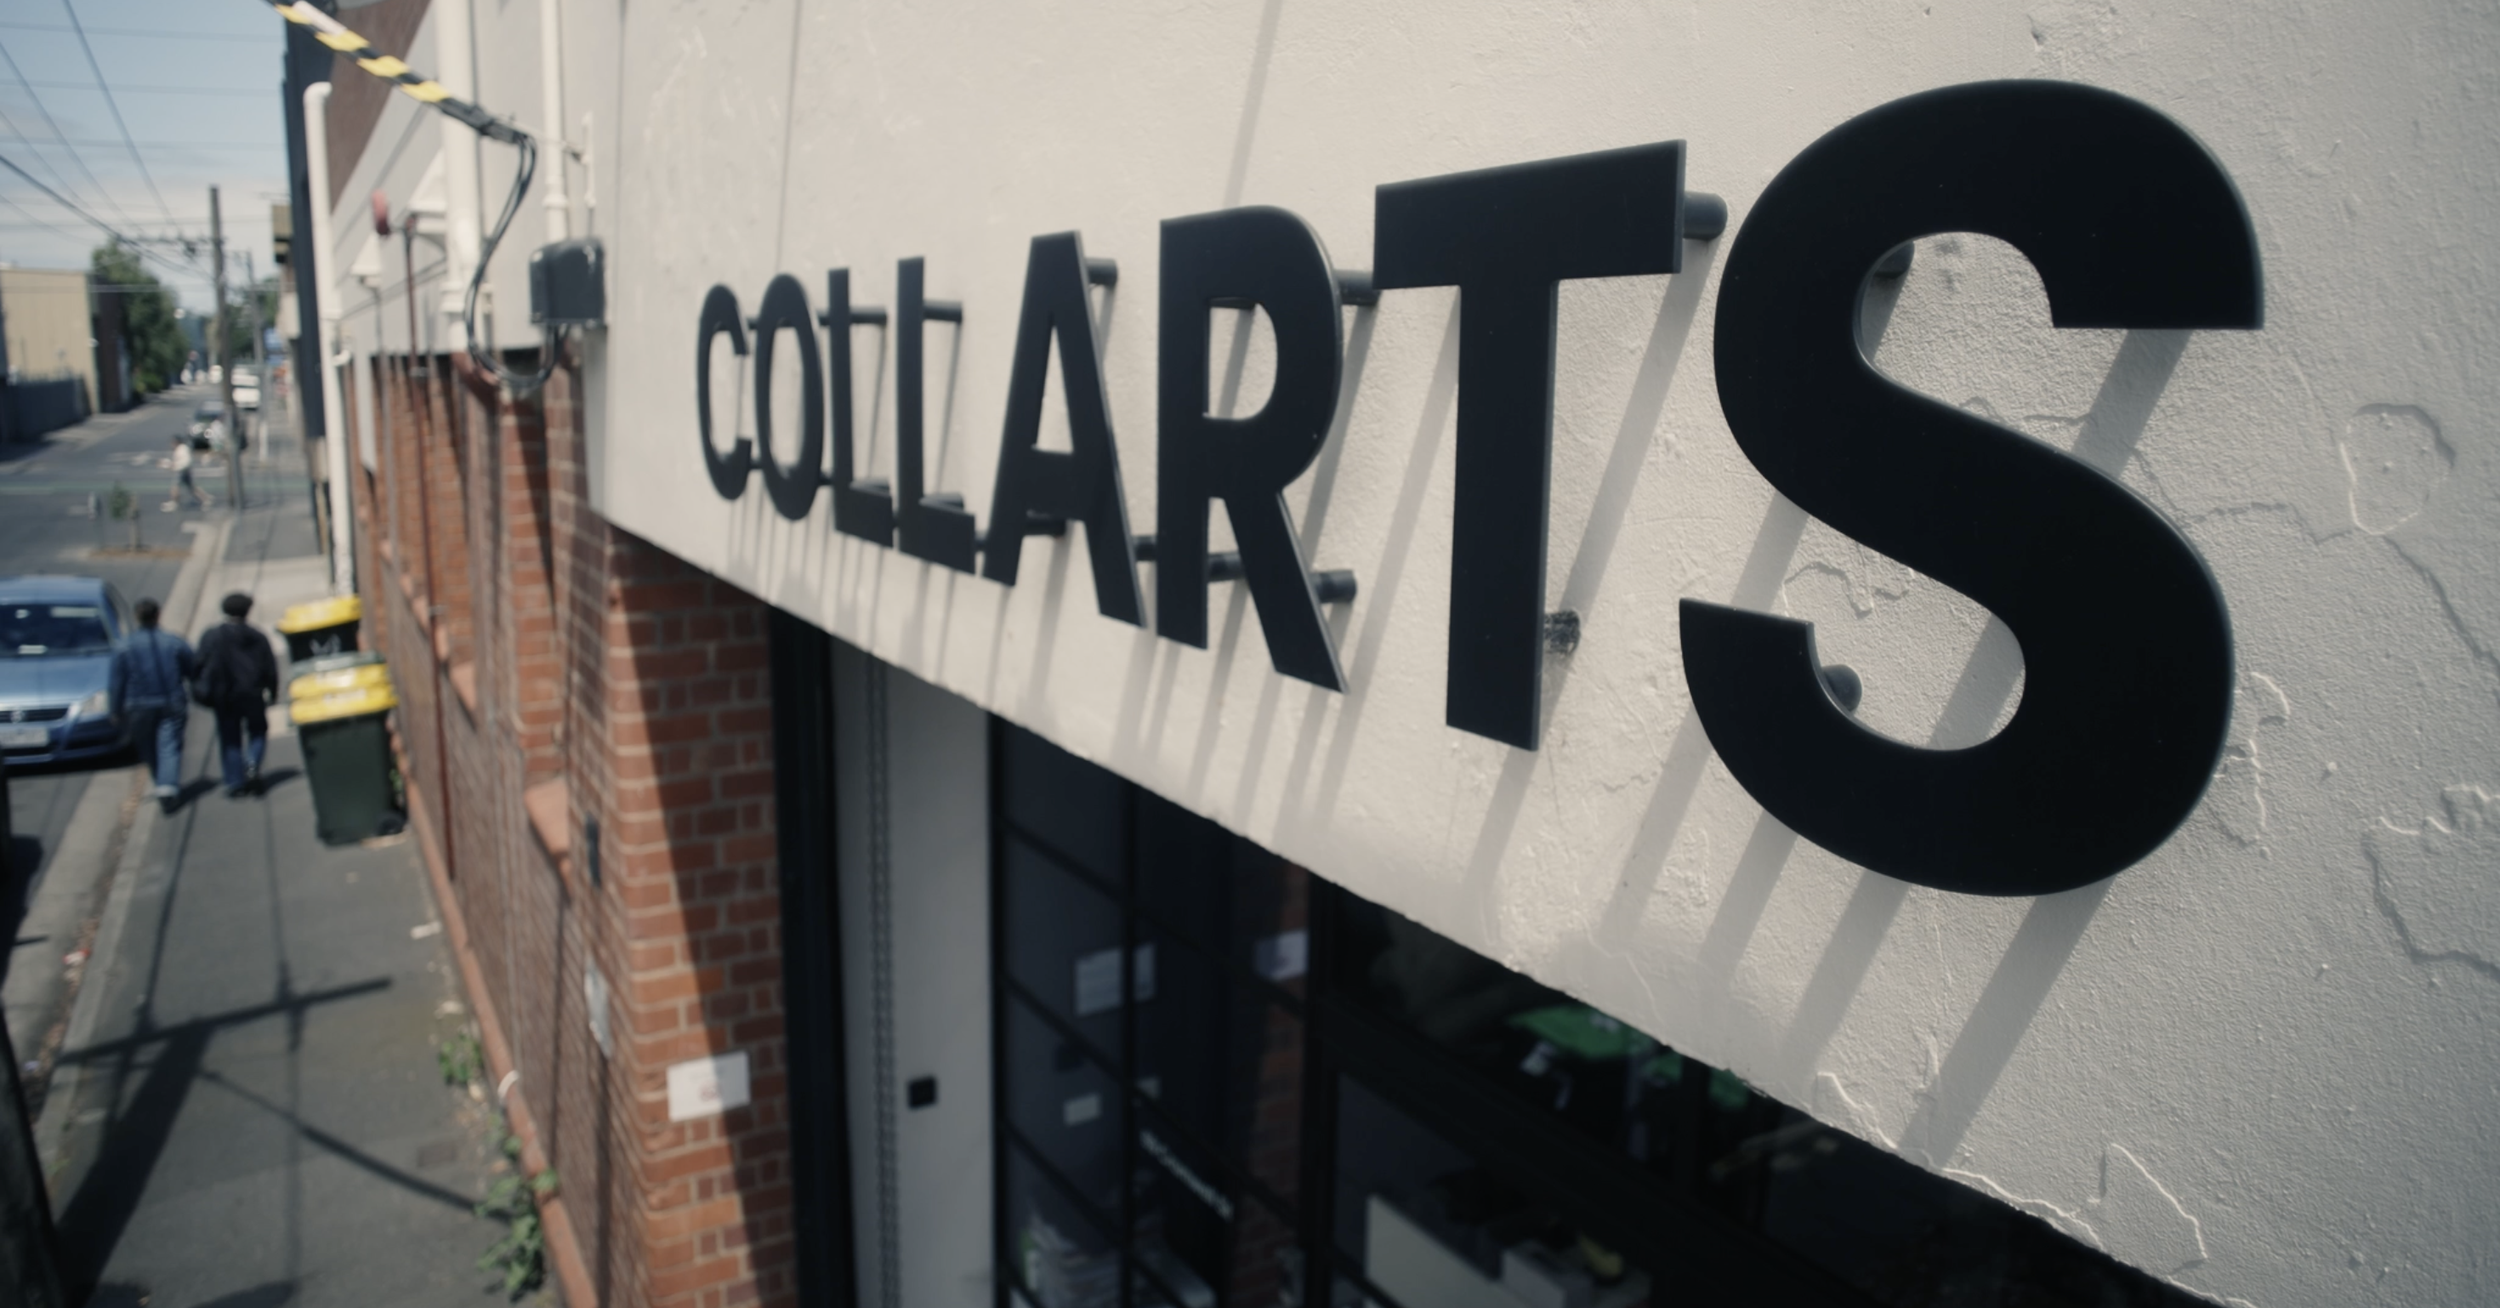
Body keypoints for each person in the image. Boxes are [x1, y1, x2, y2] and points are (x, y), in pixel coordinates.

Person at [108, 598, 197, 803]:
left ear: (136, 617)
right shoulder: (174, 642)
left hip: (137, 705)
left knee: (147, 746)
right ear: (158, 615)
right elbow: (192, 667)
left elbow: (117, 682)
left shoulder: (124, 646)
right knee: (169, 743)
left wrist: (114, 710)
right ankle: (167, 785)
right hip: (172, 700)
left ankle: (161, 782)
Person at [195, 592, 279, 798]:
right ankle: (252, 763)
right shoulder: (257, 636)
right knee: (258, 730)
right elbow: (270, 667)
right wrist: (273, 691)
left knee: (230, 738)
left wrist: (200, 689)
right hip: (252, 693)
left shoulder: (212, 636)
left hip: (224, 695)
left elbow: (198, 664)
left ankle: (235, 783)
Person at [166, 433, 207, 511]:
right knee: (191, 487)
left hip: (182, 471)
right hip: (184, 470)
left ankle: (174, 502)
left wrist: (176, 466)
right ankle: (205, 499)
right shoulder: (181, 449)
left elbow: (186, 461)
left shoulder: (182, 449)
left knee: (175, 487)